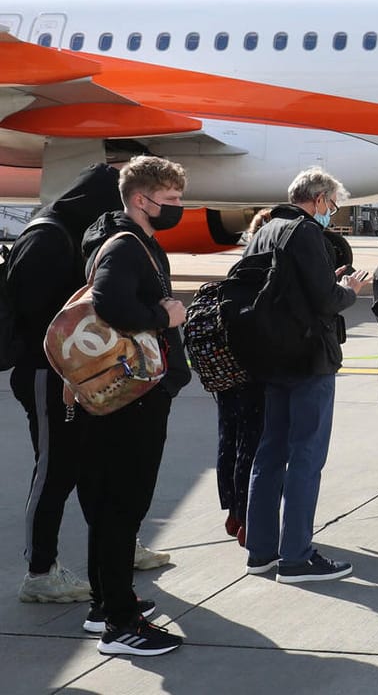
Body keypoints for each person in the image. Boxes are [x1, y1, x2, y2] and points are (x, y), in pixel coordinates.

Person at [77, 156, 192, 655]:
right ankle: (120, 626)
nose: (178, 209)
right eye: (170, 201)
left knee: (111, 505)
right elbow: (110, 305)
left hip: (126, 396)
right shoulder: (126, 247)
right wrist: (163, 317)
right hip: (134, 398)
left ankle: (108, 602)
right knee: (124, 505)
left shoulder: (124, 241)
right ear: (141, 200)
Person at [244, 168, 372, 584]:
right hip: (307, 357)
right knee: (306, 456)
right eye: (331, 206)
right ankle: (296, 555)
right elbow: (325, 299)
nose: (330, 214)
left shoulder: (265, 231)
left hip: (270, 354)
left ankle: (261, 551)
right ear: (317, 199)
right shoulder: (305, 233)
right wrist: (349, 289)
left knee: (269, 452)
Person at [10, 165, 120, 605]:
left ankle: (114, 547)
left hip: (67, 372)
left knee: (89, 465)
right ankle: (39, 572)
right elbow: (36, 313)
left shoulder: (64, 234)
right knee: (54, 470)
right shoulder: (48, 237)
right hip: (46, 373)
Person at [215, 209, 274, 547]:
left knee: (230, 437)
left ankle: (233, 510)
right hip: (254, 369)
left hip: (226, 368)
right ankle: (248, 515)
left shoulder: (236, 269)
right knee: (255, 444)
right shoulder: (265, 272)